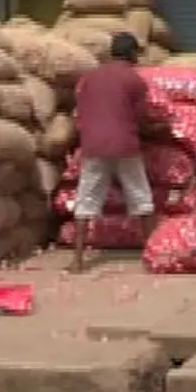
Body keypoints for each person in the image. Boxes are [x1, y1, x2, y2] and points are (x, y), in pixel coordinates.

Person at [68, 31, 157, 274]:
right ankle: (152, 255)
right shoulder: (133, 80)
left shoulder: (89, 78)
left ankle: (77, 261)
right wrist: (161, 127)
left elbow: (79, 110)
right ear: (131, 54)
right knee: (141, 197)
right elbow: (143, 117)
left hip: (93, 145)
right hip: (124, 144)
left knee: (86, 200)